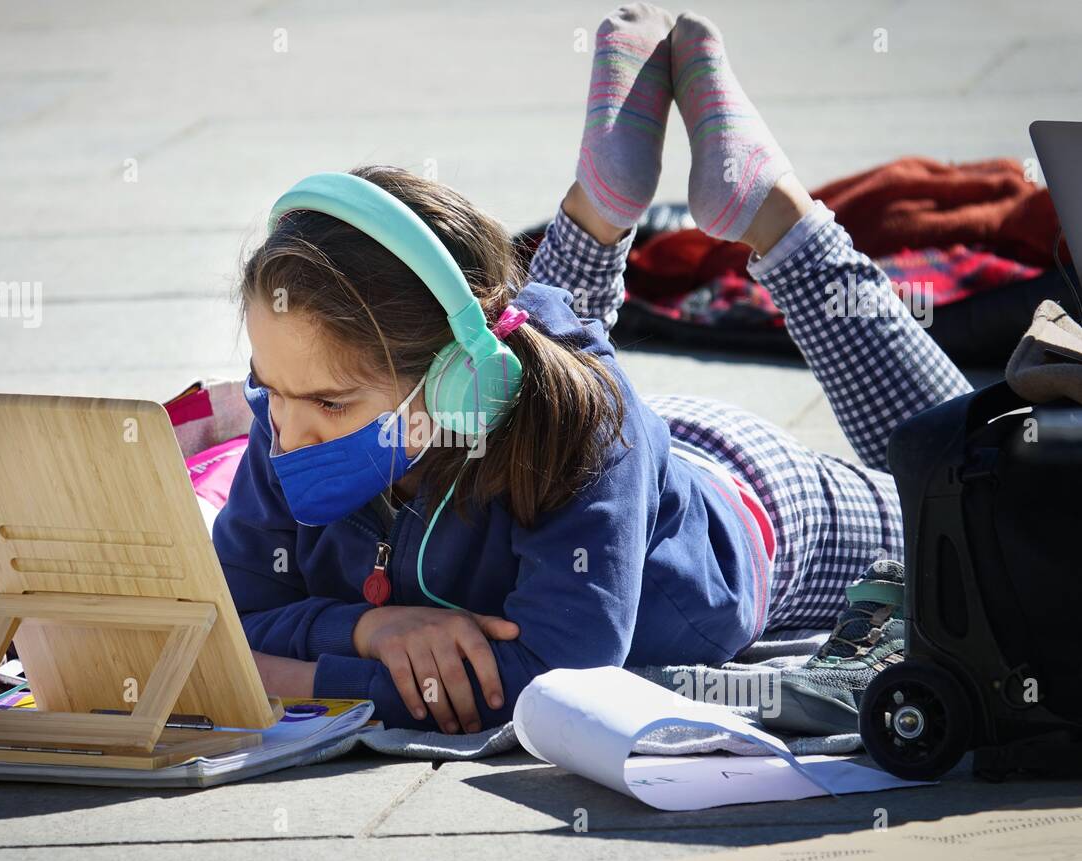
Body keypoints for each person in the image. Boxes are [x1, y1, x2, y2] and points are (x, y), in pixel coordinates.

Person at [212, 6, 972, 734]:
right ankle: (598, 207)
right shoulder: (292, 424)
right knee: (539, 345)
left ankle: (776, 214)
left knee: (971, 492)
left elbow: (557, 679)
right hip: (617, 429)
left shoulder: (582, 439)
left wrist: (307, 677)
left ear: (456, 384)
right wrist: (371, 628)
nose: (288, 435)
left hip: (761, 506)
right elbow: (231, 615)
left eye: (331, 404)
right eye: (268, 389)